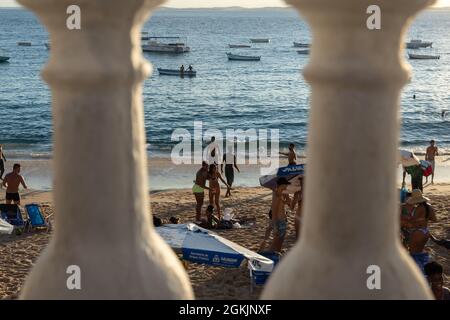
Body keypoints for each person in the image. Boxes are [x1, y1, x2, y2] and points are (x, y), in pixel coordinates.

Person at [400, 189, 437, 272]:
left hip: (417, 232)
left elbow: (411, 220)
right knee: (420, 251)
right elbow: (434, 219)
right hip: (425, 232)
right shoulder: (429, 207)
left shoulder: (417, 209)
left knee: (413, 253)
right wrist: (424, 219)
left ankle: (418, 271)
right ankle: (424, 268)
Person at [269, 177, 291, 253]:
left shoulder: (281, 194)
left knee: (280, 241)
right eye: (286, 184)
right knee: (276, 241)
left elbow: (281, 206)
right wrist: (274, 225)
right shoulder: (277, 195)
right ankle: (270, 256)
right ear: (282, 185)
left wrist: (286, 201)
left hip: (282, 220)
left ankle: (277, 255)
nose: (287, 186)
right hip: (279, 221)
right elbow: (274, 211)